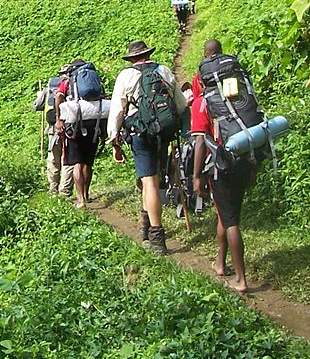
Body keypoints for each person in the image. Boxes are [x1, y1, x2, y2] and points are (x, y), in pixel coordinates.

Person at [107, 40, 187, 255]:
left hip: (140, 132)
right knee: (153, 180)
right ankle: (145, 225)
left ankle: (157, 236)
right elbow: (180, 104)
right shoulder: (164, 70)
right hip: (162, 132)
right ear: (149, 54)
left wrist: (114, 140)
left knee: (149, 181)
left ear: (132, 59)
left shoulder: (126, 76)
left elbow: (117, 110)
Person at [191, 38, 255, 293]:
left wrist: (196, 176)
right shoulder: (239, 92)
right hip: (247, 158)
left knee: (231, 221)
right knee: (226, 212)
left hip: (222, 166)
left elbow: (199, 143)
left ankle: (241, 279)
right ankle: (220, 262)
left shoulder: (204, 102)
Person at [53, 60, 102, 206]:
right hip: (95, 123)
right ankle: (86, 195)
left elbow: (58, 97)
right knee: (88, 163)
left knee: (77, 164)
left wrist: (59, 119)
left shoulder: (69, 81)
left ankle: (80, 199)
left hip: (75, 125)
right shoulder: (94, 79)